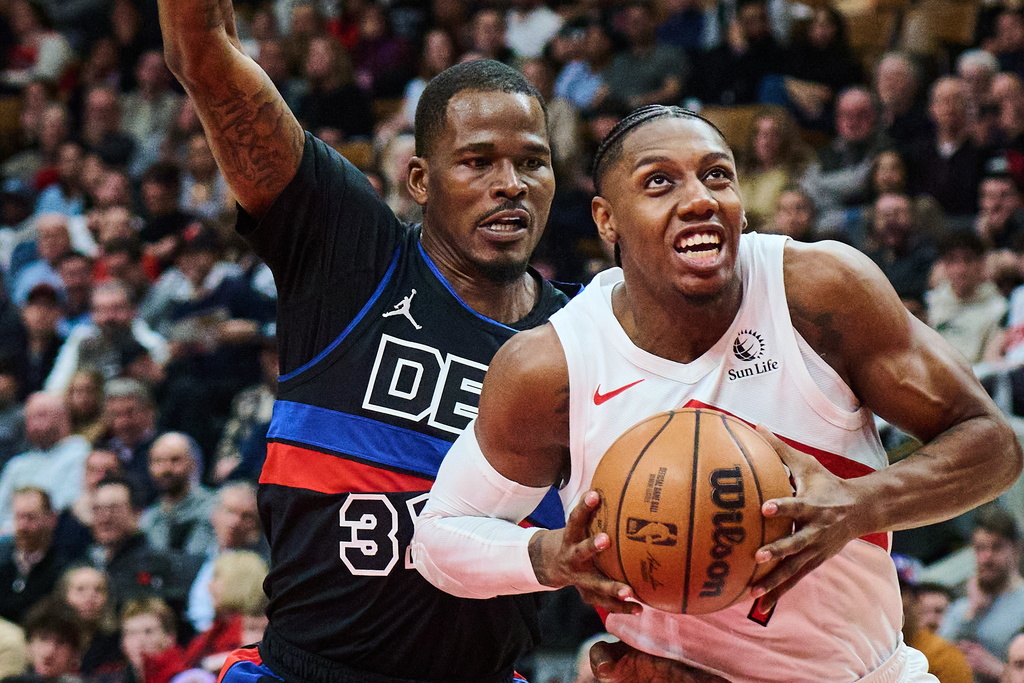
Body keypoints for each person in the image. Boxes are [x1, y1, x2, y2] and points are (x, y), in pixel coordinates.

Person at [412, 105, 1021, 682]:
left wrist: (862, 503)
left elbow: (994, 445)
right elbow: (439, 539)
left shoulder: (818, 291)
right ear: (606, 221)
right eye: (659, 183)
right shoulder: (553, 367)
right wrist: (548, 557)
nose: (699, 199)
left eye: (716, 176)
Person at [158, 0, 648, 678]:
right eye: (477, 162)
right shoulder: (349, 255)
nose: (509, 185)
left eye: (531, 163)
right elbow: (202, 55)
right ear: (420, 180)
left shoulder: (585, 340)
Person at [939, 505, 1024, 683]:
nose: (986, 557)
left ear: (1015, 549)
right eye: (980, 548)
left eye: (996, 547)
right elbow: (937, 658)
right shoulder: (961, 608)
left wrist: (1001, 671)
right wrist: (972, 611)